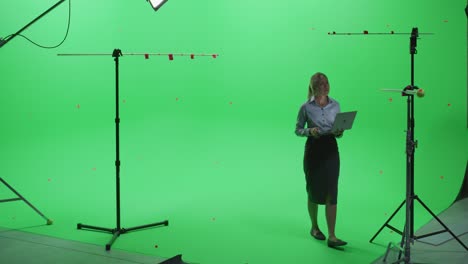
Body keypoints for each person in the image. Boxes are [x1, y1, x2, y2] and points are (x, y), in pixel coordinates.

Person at [295, 72, 347, 248]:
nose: (325, 87)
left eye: (326, 83)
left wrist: (339, 131)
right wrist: (310, 131)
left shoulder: (336, 105)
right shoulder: (306, 107)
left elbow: (337, 129)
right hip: (314, 150)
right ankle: (315, 227)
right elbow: (298, 129)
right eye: (321, 85)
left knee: (332, 191)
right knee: (314, 189)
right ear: (314, 87)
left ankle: (332, 236)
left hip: (331, 148)